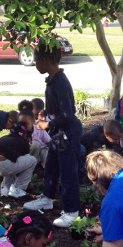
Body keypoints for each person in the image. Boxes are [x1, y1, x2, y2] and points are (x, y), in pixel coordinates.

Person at [24, 43, 82, 228]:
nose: (35, 65)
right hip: (59, 134)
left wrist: (48, 123)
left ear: (45, 61)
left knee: (68, 173)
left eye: (36, 62)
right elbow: (59, 108)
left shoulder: (60, 82)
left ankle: (72, 212)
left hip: (67, 134)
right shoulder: (53, 79)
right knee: (51, 167)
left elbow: (68, 114)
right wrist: (47, 113)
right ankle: (47, 198)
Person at [0, 120, 37, 198]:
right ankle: (18, 189)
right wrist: (26, 183)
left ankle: (5, 188)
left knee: (12, 161)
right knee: (32, 160)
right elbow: (22, 168)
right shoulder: (23, 142)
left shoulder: (6, 138)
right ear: (25, 134)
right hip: (3, 165)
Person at [19, 99, 50, 167]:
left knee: (46, 153)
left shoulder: (40, 127)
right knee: (35, 144)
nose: (37, 117)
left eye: (40, 114)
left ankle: (47, 170)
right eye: (35, 114)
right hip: (29, 150)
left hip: (42, 149)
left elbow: (48, 142)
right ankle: (32, 165)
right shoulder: (20, 128)